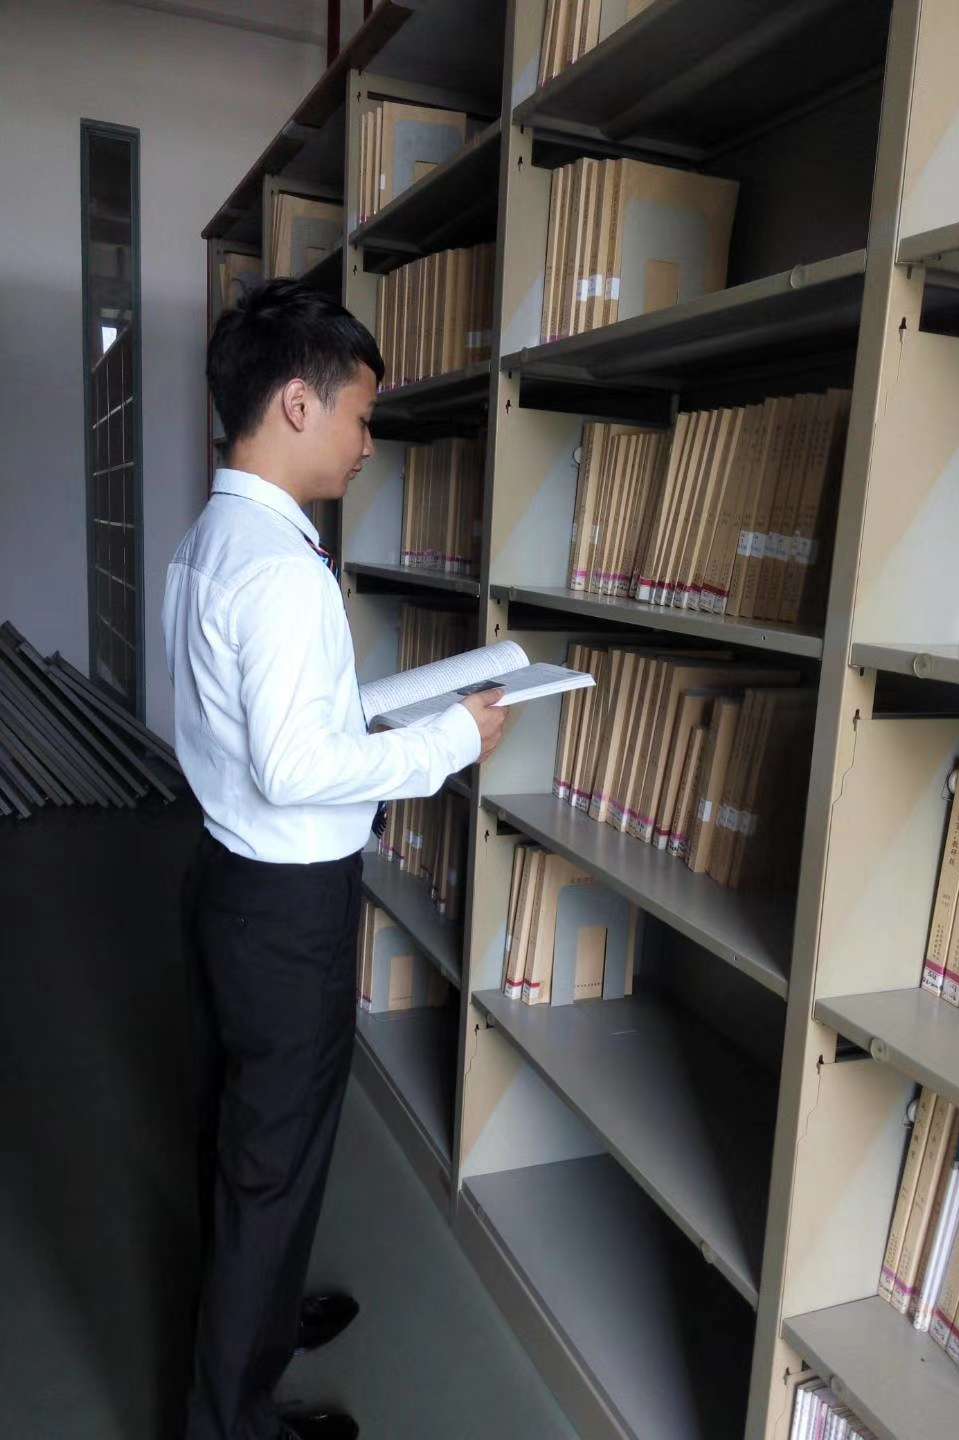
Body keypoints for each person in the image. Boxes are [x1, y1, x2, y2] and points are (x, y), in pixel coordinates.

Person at [163, 279, 505, 1440]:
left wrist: (377, 717)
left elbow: (258, 732)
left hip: (228, 884)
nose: (368, 441)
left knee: (246, 1142)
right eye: (362, 415)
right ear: (298, 405)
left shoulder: (212, 543)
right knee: (274, 1162)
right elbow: (296, 768)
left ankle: (257, 1321)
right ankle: (231, 1419)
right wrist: (451, 740)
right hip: (286, 910)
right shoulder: (281, 570)